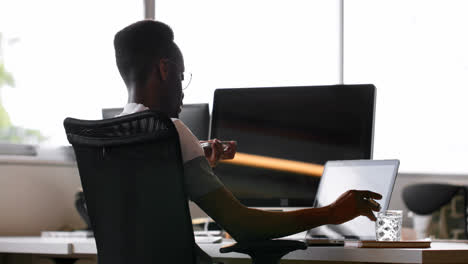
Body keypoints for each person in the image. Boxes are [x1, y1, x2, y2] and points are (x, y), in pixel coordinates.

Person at [113, 19, 381, 254]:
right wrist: (332, 212)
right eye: (181, 77)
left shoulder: (112, 134)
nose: (182, 91)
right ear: (164, 69)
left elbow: (147, 210)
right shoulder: (170, 130)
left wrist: (196, 164)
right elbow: (244, 226)